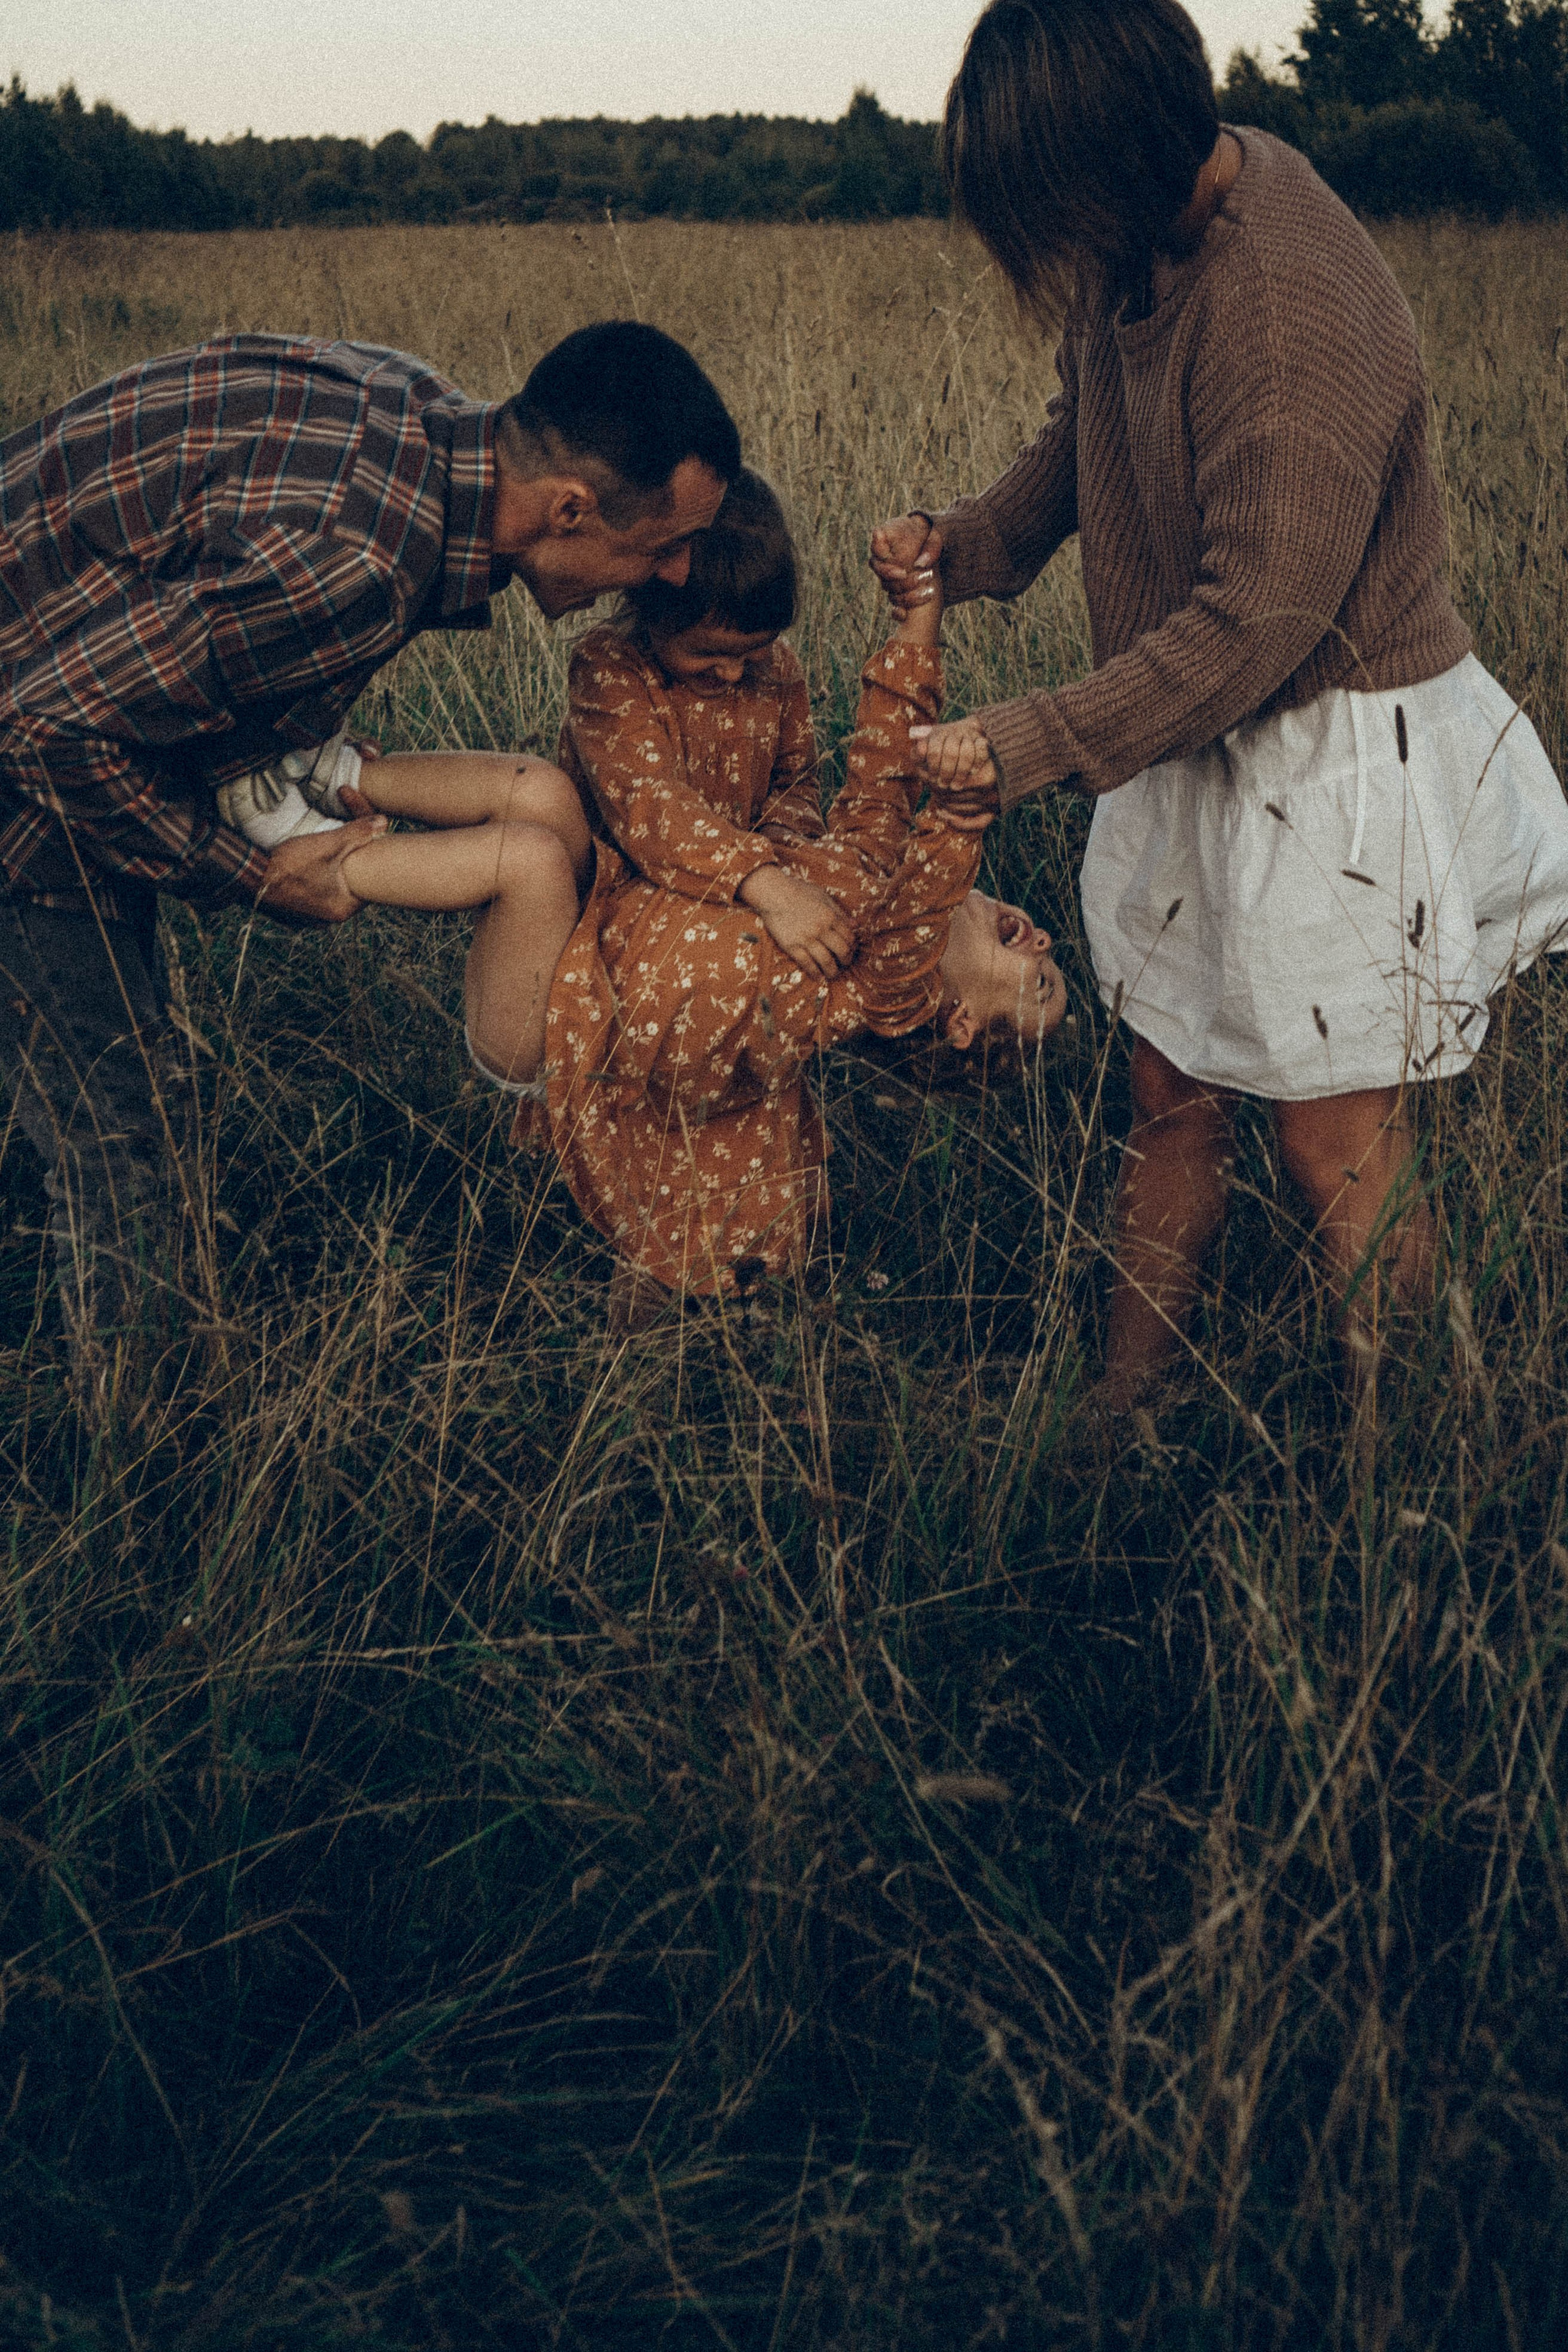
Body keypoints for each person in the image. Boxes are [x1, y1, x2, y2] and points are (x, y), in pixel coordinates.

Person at [871, 0, 1568, 1406]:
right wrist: (969, 541)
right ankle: (1123, 1420)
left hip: (1320, 752)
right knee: (1167, 1095)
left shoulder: (1284, 305)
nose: (1039, 246)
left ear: (1110, 159)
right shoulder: (1140, 235)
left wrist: (1022, 746)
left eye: (1043, 205)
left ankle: (1415, 1457)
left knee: (1333, 1140)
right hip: (1183, 741)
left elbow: (1255, 626)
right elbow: (1091, 431)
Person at [0, 320, 739, 1389]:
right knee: (123, 1134)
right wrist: (250, 875)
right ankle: (138, 1478)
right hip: (27, 792)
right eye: (661, 544)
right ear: (568, 508)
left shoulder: (418, 413)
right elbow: (44, 731)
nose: (674, 576)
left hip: (48, 663)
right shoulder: (360, 564)